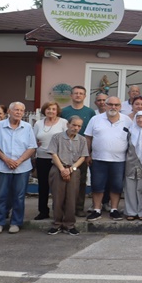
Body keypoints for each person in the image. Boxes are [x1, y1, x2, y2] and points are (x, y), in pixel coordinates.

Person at [0, 101, 37, 234]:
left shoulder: (27, 127)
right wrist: (6, 159)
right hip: (2, 165)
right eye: (16, 110)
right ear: (9, 112)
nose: (18, 113)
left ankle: (16, 222)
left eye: (21, 110)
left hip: (22, 167)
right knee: (0, 195)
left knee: (19, 196)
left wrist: (19, 161)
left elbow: (32, 147)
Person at [84, 96, 131, 221]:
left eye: (116, 105)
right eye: (110, 104)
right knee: (97, 185)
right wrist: (87, 154)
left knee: (116, 186)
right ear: (105, 105)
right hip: (98, 159)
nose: (113, 107)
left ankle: (114, 209)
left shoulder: (127, 120)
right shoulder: (95, 119)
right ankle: (97, 209)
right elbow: (88, 138)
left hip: (119, 160)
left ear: (120, 107)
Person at [46, 116, 89, 235]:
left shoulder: (82, 140)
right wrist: (62, 169)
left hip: (73, 169)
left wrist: (71, 169)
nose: (76, 128)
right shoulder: (57, 137)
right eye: (74, 125)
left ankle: (69, 224)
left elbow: (83, 157)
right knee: (58, 197)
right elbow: (53, 154)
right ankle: (57, 224)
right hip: (58, 168)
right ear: (68, 124)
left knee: (71, 198)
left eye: (79, 126)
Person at [60, 85, 96, 218]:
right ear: (71, 95)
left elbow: (91, 134)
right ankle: (63, 207)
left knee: (80, 180)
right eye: (75, 93)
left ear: (85, 96)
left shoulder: (90, 112)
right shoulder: (64, 111)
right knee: (64, 180)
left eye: (81, 93)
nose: (78, 95)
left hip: (82, 152)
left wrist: (89, 153)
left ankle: (79, 207)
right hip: (65, 151)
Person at [32, 101, 68, 220]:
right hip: (42, 158)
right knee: (43, 186)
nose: (51, 111)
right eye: (48, 109)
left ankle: (59, 211)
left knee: (58, 187)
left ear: (57, 111)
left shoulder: (63, 123)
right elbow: (33, 140)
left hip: (58, 159)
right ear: (44, 111)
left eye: (53, 109)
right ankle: (43, 211)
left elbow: (67, 139)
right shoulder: (38, 123)